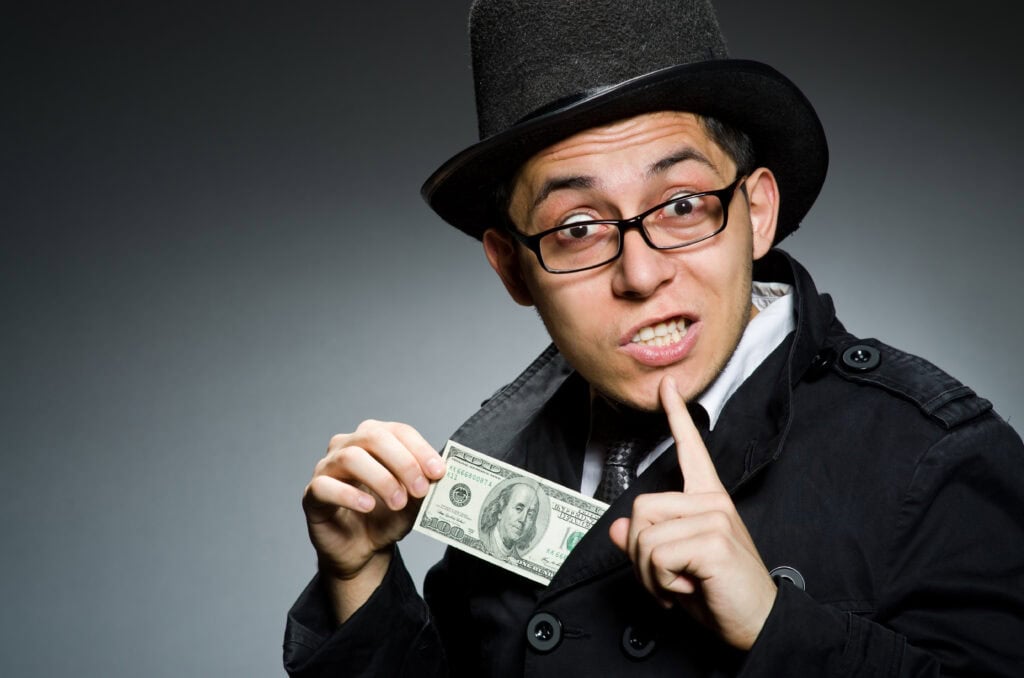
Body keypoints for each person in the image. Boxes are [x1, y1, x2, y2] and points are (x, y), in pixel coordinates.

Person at [284, 0, 1024, 675]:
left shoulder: (933, 456)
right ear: (512, 266)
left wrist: (774, 624)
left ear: (757, 212)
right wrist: (360, 579)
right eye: (578, 228)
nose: (641, 274)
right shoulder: (503, 466)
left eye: (680, 205)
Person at [478, 481, 542, 560]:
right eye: (518, 509)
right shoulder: (480, 541)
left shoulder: (517, 561)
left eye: (530, 515)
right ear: (501, 510)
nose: (523, 519)